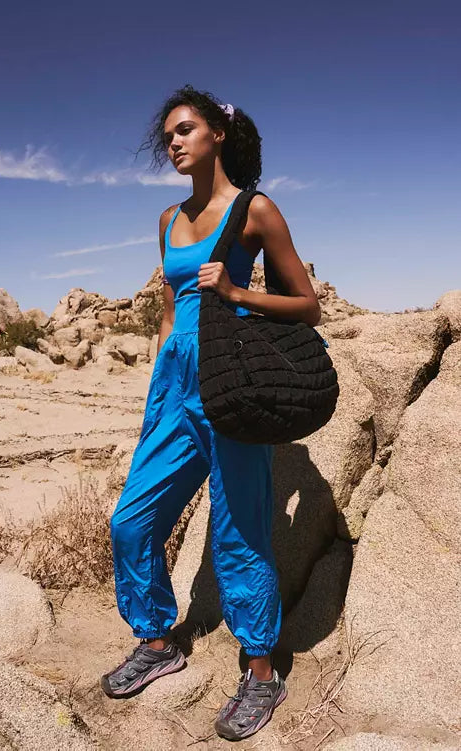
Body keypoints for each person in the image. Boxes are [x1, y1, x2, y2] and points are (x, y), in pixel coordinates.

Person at [101, 84, 321, 741]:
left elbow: (308, 305)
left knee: (238, 533)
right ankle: (157, 641)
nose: (172, 141)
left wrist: (235, 291)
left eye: (185, 129)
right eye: (167, 133)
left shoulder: (255, 209)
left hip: (232, 381)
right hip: (176, 384)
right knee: (131, 520)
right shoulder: (168, 219)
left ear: (217, 134)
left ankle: (261, 671)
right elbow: (172, 310)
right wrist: (158, 384)